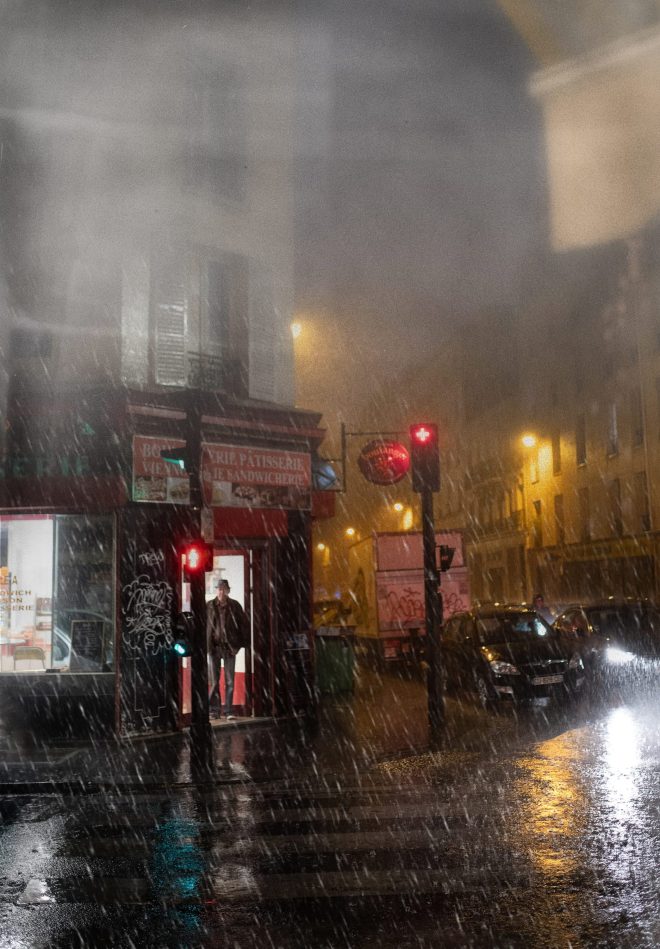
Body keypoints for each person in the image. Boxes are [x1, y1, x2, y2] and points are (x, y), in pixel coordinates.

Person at [207, 579, 250, 720]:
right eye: (219, 589)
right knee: (214, 681)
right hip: (214, 648)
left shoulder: (235, 606)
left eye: (224, 589)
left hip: (230, 648)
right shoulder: (209, 606)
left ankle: (228, 710)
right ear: (216, 590)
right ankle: (214, 710)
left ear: (228, 591)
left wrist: (238, 646)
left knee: (230, 681)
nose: (221, 592)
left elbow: (243, 626)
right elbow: (205, 627)